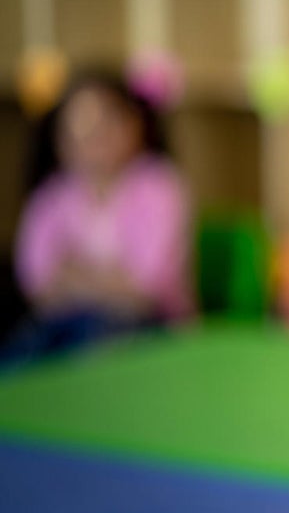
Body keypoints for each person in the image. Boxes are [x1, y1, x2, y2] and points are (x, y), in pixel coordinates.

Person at [3, 68, 192, 368]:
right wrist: (112, 278)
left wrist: (73, 273)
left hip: (150, 328)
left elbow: (147, 287)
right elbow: (36, 281)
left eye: (107, 121)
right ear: (59, 137)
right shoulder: (52, 196)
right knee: (21, 356)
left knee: (94, 353)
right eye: (79, 125)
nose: (94, 137)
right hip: (62, 323)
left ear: (134, 124)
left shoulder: (157, 186)